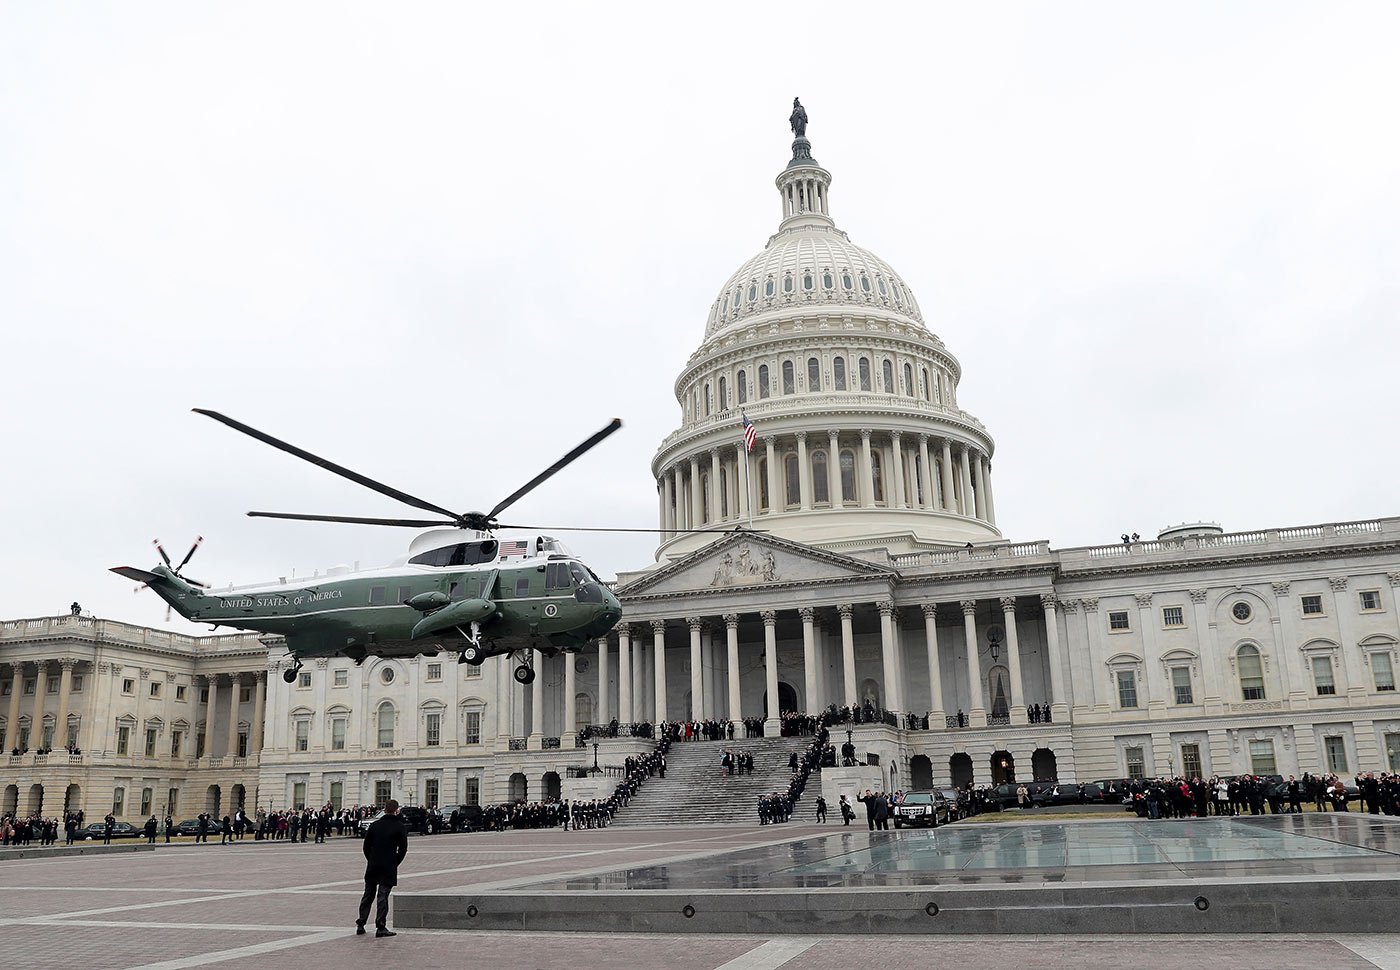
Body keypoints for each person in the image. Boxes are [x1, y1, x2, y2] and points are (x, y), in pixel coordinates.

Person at [357, 798, 409, 938]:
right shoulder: (400, 827)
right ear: (396, 810)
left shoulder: (375, 825)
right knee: (383, 895)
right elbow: (403, 849)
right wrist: (395, 862)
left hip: (373, 864)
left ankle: (361, 923)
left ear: (385, 809)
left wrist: (371, 859)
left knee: (368, 894)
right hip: (389, 864)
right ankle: (380, 926)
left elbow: (366, 846)